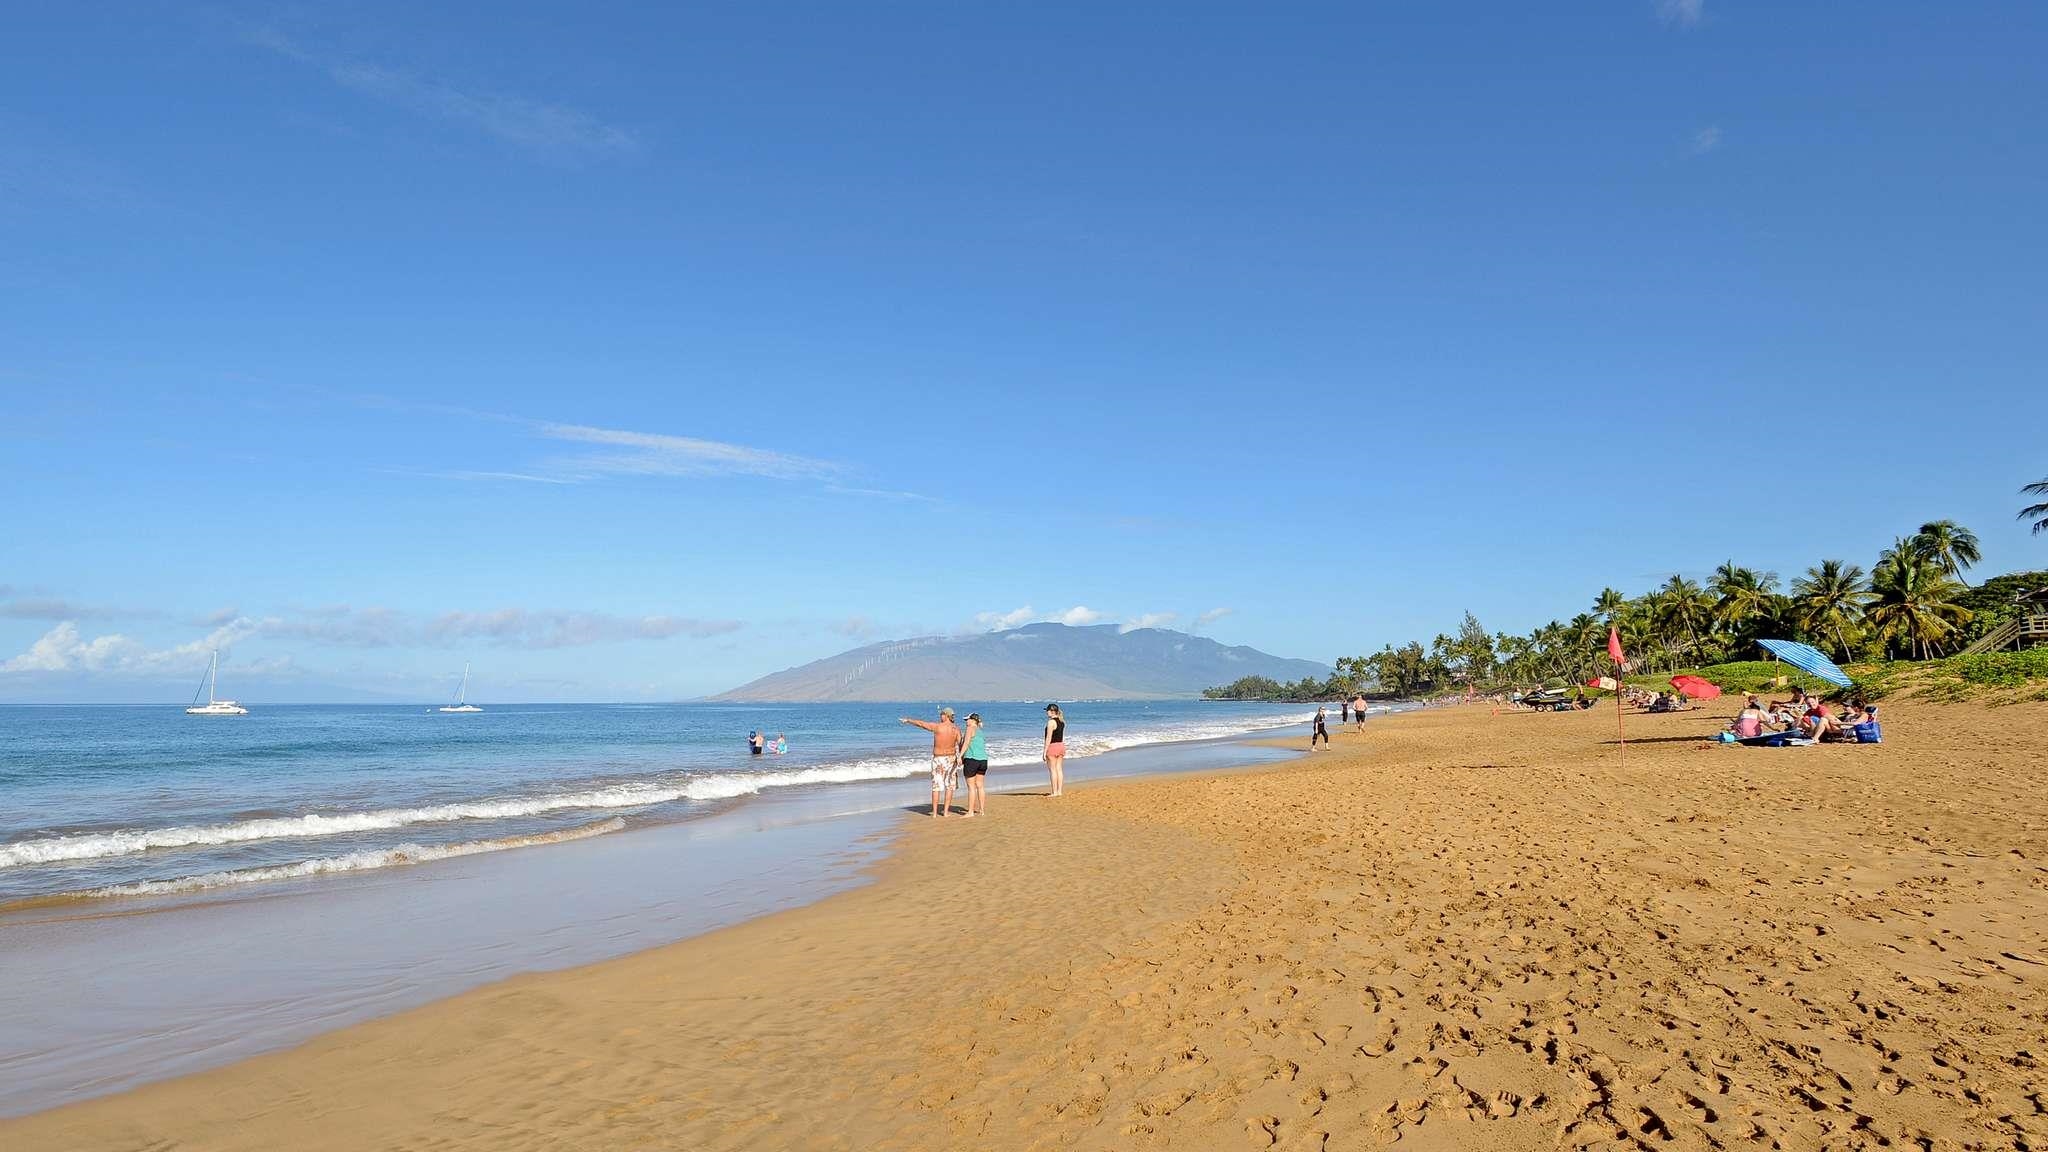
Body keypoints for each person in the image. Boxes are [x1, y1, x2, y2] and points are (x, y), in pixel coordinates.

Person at [899, 707, 963, 817]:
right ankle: (946, 812)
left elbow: (921, 724)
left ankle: (934, 813)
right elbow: (961, 744)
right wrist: (960, 758)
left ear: (945, 715)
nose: (940, 717)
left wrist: (908, 720)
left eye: (941, 715)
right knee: (949, 786)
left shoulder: (938, 727)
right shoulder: (956, 729)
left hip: (938, 759)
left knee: (936, 787)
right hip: (951, 759)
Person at [959, 712, 989, 817]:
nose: (966, 722)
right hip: (983, 760)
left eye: (967, 720)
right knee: (980, 786)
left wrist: (959, 756)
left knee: (971, 787)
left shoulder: (970, 729)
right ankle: (982, 810)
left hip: (972, 759)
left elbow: (966, 743)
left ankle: (970, 812)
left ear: (972, 720)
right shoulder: (980, 731)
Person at [1042, 703, 1067, 797]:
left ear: (1051, 711)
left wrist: (1044, 751)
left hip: (1052, 747)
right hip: (1061, 746)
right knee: (1059, 769)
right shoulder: (1062, 721)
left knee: (1053, 770)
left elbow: (1048, 738)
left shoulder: (1051, 722)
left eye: (1047, 711)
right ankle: (1059, 791)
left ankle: (1054, 792)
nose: (1046, 713)